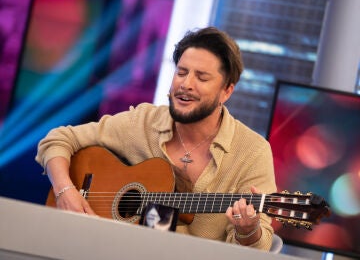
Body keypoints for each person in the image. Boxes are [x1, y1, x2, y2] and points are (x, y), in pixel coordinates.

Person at [35, 26, 277, 250]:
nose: (186, 84)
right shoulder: (143, 122)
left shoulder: (253, 151)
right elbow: (58, 139)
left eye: (201, 78)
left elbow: (262, 245)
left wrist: (248, 230)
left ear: (227, 91)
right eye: (181, 72)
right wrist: (65, 191)